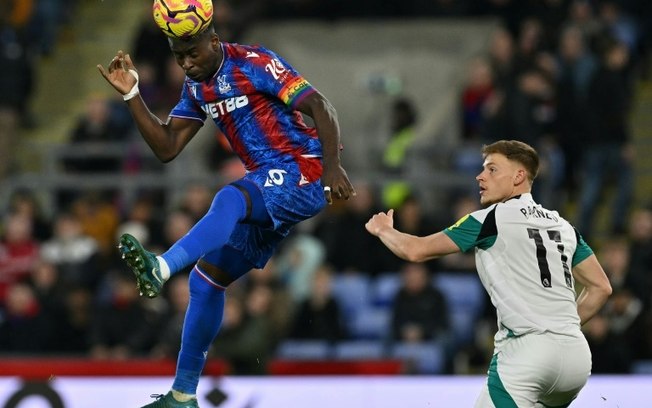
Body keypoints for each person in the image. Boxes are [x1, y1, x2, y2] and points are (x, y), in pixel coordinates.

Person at [97, 21, 355, 407]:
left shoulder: (255, 62)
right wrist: (133, 94)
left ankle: (163, 267)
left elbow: (320, 105)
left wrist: (332, 166)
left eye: (193, 53)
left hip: (304, 168)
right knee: (205, 281)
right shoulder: (196, 87)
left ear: (214, 41)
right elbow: (167, 147)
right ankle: (183, 395)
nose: (186, 63)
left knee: (229, 199)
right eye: (179, 56)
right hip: (268, 183)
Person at [365, 140, 612, 407]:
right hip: (575, 357)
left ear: (519, 176)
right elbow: (601, 288)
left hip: (528, 353)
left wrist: (384, 230)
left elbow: (415, 251)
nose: (480, 176)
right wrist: (563, 327)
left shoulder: (490, 219)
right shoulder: (563, 226)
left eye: (492, 170)